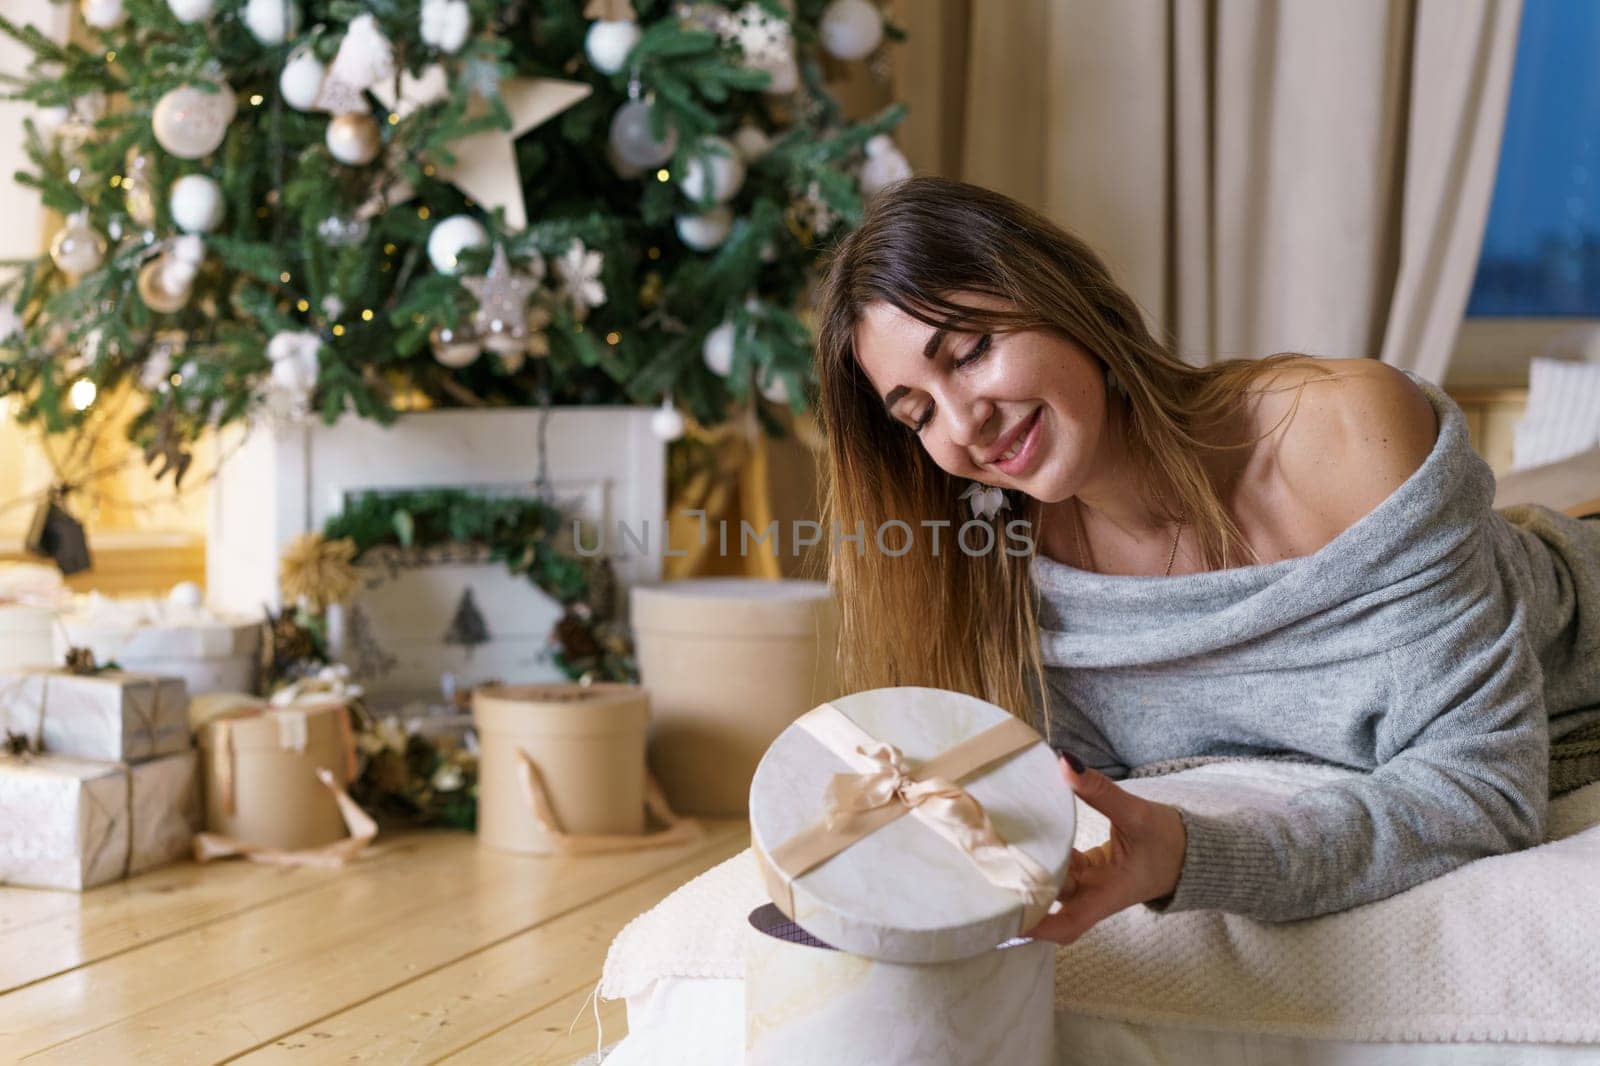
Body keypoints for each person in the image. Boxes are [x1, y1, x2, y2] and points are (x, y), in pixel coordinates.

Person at [810, 175, 1600, 945]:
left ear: (1063, 298)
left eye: (972, 351)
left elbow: (1483, 788)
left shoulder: (1347, 433)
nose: (964, 424)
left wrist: (1199, 857)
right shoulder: (1010, 570)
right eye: (917, 415)